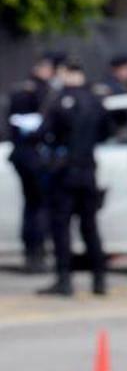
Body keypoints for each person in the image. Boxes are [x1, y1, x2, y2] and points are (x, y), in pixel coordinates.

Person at [34, 58, 110, 297]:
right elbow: (106, 132)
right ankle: (99, 280)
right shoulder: (96, 100)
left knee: (61, 227)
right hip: (88, 170)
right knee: (90, 227)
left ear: (65, 73)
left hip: (64, 172)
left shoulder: (58, 100)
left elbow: (43, 132)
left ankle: (64, 280)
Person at [5, 53, 56, 273]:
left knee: (31, 206)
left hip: (23, 156)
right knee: (39, 206)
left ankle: (32, 253)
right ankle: (36, 253)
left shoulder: (22, 90)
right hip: (34, 157)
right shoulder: (42, 92)